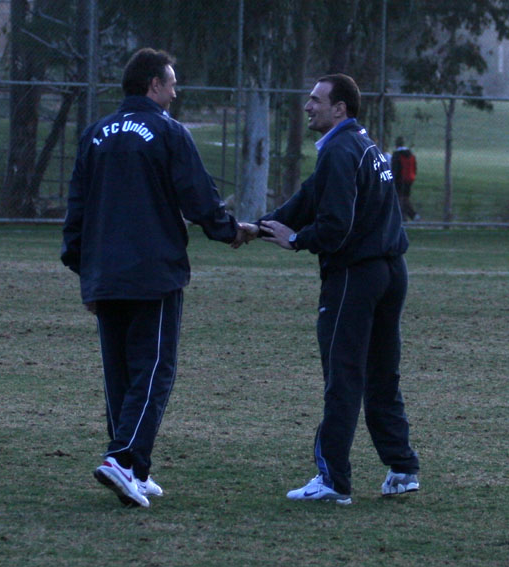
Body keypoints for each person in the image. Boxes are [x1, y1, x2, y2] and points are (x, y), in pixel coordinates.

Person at [61, 48, 244, 508]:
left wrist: (83, 270)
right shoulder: (167, 131)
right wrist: (228, 231)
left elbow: (77, 207)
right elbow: (197, 194)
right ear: (153, 85)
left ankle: (134, 468)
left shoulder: (94, 134)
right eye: (171, 83)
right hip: (153, 272)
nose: (175, 93)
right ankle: (123, 459)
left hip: (105, 274)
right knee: (154, 369)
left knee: (120, 373)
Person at [238, 74, 420, 505]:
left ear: (340, 108)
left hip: (356, 276)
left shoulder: (340, 150)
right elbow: (309, 198)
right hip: (391, 271)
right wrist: (259, 228)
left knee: (344, 376)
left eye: (316, 100)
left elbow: (335, 225)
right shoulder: (362, 145)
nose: (308, 106)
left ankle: (333, 479)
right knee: (381, 374)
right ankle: (402, 467)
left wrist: (297, 240)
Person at [391, 136, 420, 221]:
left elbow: (395, 169)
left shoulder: (396, 155)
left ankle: (409, 216)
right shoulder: (410, 154)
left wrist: (393, 180)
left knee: (400, 198)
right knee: (405, 198)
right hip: (409, 179)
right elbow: (415, 167)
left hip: (400, 180)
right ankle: (411, 216)